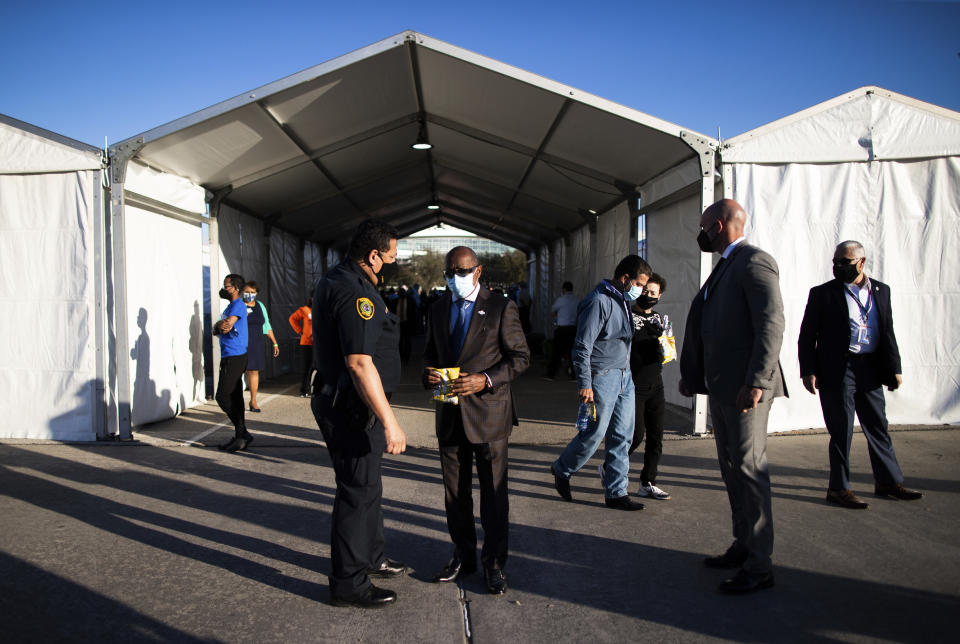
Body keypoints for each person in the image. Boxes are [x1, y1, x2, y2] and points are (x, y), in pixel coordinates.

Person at [678, 198, 787, 594]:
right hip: (724, 387)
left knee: (749, 469)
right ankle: (744, 543)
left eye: (705, 226)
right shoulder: (725, 266)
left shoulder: (755, 261)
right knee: (731, 467)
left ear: (720, 225)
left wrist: (757, 380)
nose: (701, 233)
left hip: (746, 390)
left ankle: (760, 565)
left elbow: (771, 323)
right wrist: (693, 374)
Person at [311, 219, 408, 608]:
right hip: (352, 407)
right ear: (373, 255)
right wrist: (391, 421)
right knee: (356, 492)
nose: (391, 264)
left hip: (351, 403)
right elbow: (359, 363)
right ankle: (349, 583)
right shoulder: (355, 292)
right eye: (390, 257)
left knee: (368, 487)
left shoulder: (343, 279)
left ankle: (371, 556)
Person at [422, 246, 530, 595]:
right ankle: (463, 554)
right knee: (455, 493)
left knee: (494, 495)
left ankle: (495, 563)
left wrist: (484, 379)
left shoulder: (501, 307)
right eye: (450, 272)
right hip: (450, 413)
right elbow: (429, 356)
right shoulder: (437, 309)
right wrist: (428, 375)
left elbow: (520, 357)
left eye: (463, 271)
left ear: (478, 271)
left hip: (489, 415)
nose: (456, 278)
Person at [798, 241, 922, 509]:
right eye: (835, 261)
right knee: (841, 430)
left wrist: (894, 367)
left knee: (878, 426)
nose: (838, 266)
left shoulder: (881, 290)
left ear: (861, 262)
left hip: (871, 368)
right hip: (839, 369)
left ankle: (888, 481)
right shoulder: (823, 294)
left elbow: (887, 330)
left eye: (844, 262)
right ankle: (838, 488)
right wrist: (807, 370)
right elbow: (807, 335)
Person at [550, 255, 651, 511]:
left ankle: (616, 492)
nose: (641, 290)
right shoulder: (598, 301)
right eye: (639, 283)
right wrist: (585, 383)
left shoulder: (623, 301)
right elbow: (582, 346)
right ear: (625, 278)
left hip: (624, 376)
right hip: (602, 376)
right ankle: (562, 468)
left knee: (622, 436)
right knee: (594, 433)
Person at [628, 273, 670, 500]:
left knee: (656, 436)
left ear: (659, 296)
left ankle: (648, 482)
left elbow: (665, 351)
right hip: (634, 384)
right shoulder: (628, 313)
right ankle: (610, 466)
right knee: (636, 436)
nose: (648, 295)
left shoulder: (658, 319)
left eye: (653, 293)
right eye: (645, 291)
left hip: (657, 383)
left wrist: (664, 342)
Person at [213, 273, 252, 453]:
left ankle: (242, 432)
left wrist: (221, 325)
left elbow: (226, 325)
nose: (224, 289)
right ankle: (240, 436)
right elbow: (218, 328)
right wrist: (218, 326)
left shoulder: (238, 305)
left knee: (222, 396)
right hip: (230, 354)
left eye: (227, 286)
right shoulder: (231, 305)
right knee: (235, 396)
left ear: (235, 288)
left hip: (235, 355)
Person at [242, 281, 279, 413]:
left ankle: (253, 401)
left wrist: (274, 342)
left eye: (252, 292)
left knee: (254, 371)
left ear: (256, 293)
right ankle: (235, 402)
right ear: (242, 292)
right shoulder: (237, 305)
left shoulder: (260, 306)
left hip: (256, 343)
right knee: (237, 372)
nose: (249, 295)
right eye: (247, 292)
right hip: (240, 343)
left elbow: (267, 325)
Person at [544, 281, 578, 380]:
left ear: (564, 289)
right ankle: (574, 375)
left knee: (556, 352)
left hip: (562, 329)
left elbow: (553, 310)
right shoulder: (576, 300)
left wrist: (557, 315)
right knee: (573, 353)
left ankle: (551, 374)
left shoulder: (561, 300)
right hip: (573, 329)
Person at [289, 298, 314, 397]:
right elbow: (292, 319)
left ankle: (316, 389)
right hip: (307, 343)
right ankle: (304, 390)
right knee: (307, 367)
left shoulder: (322, 309)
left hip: (320, 343)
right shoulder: (305, 310)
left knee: (318, 367)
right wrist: (300, 331)